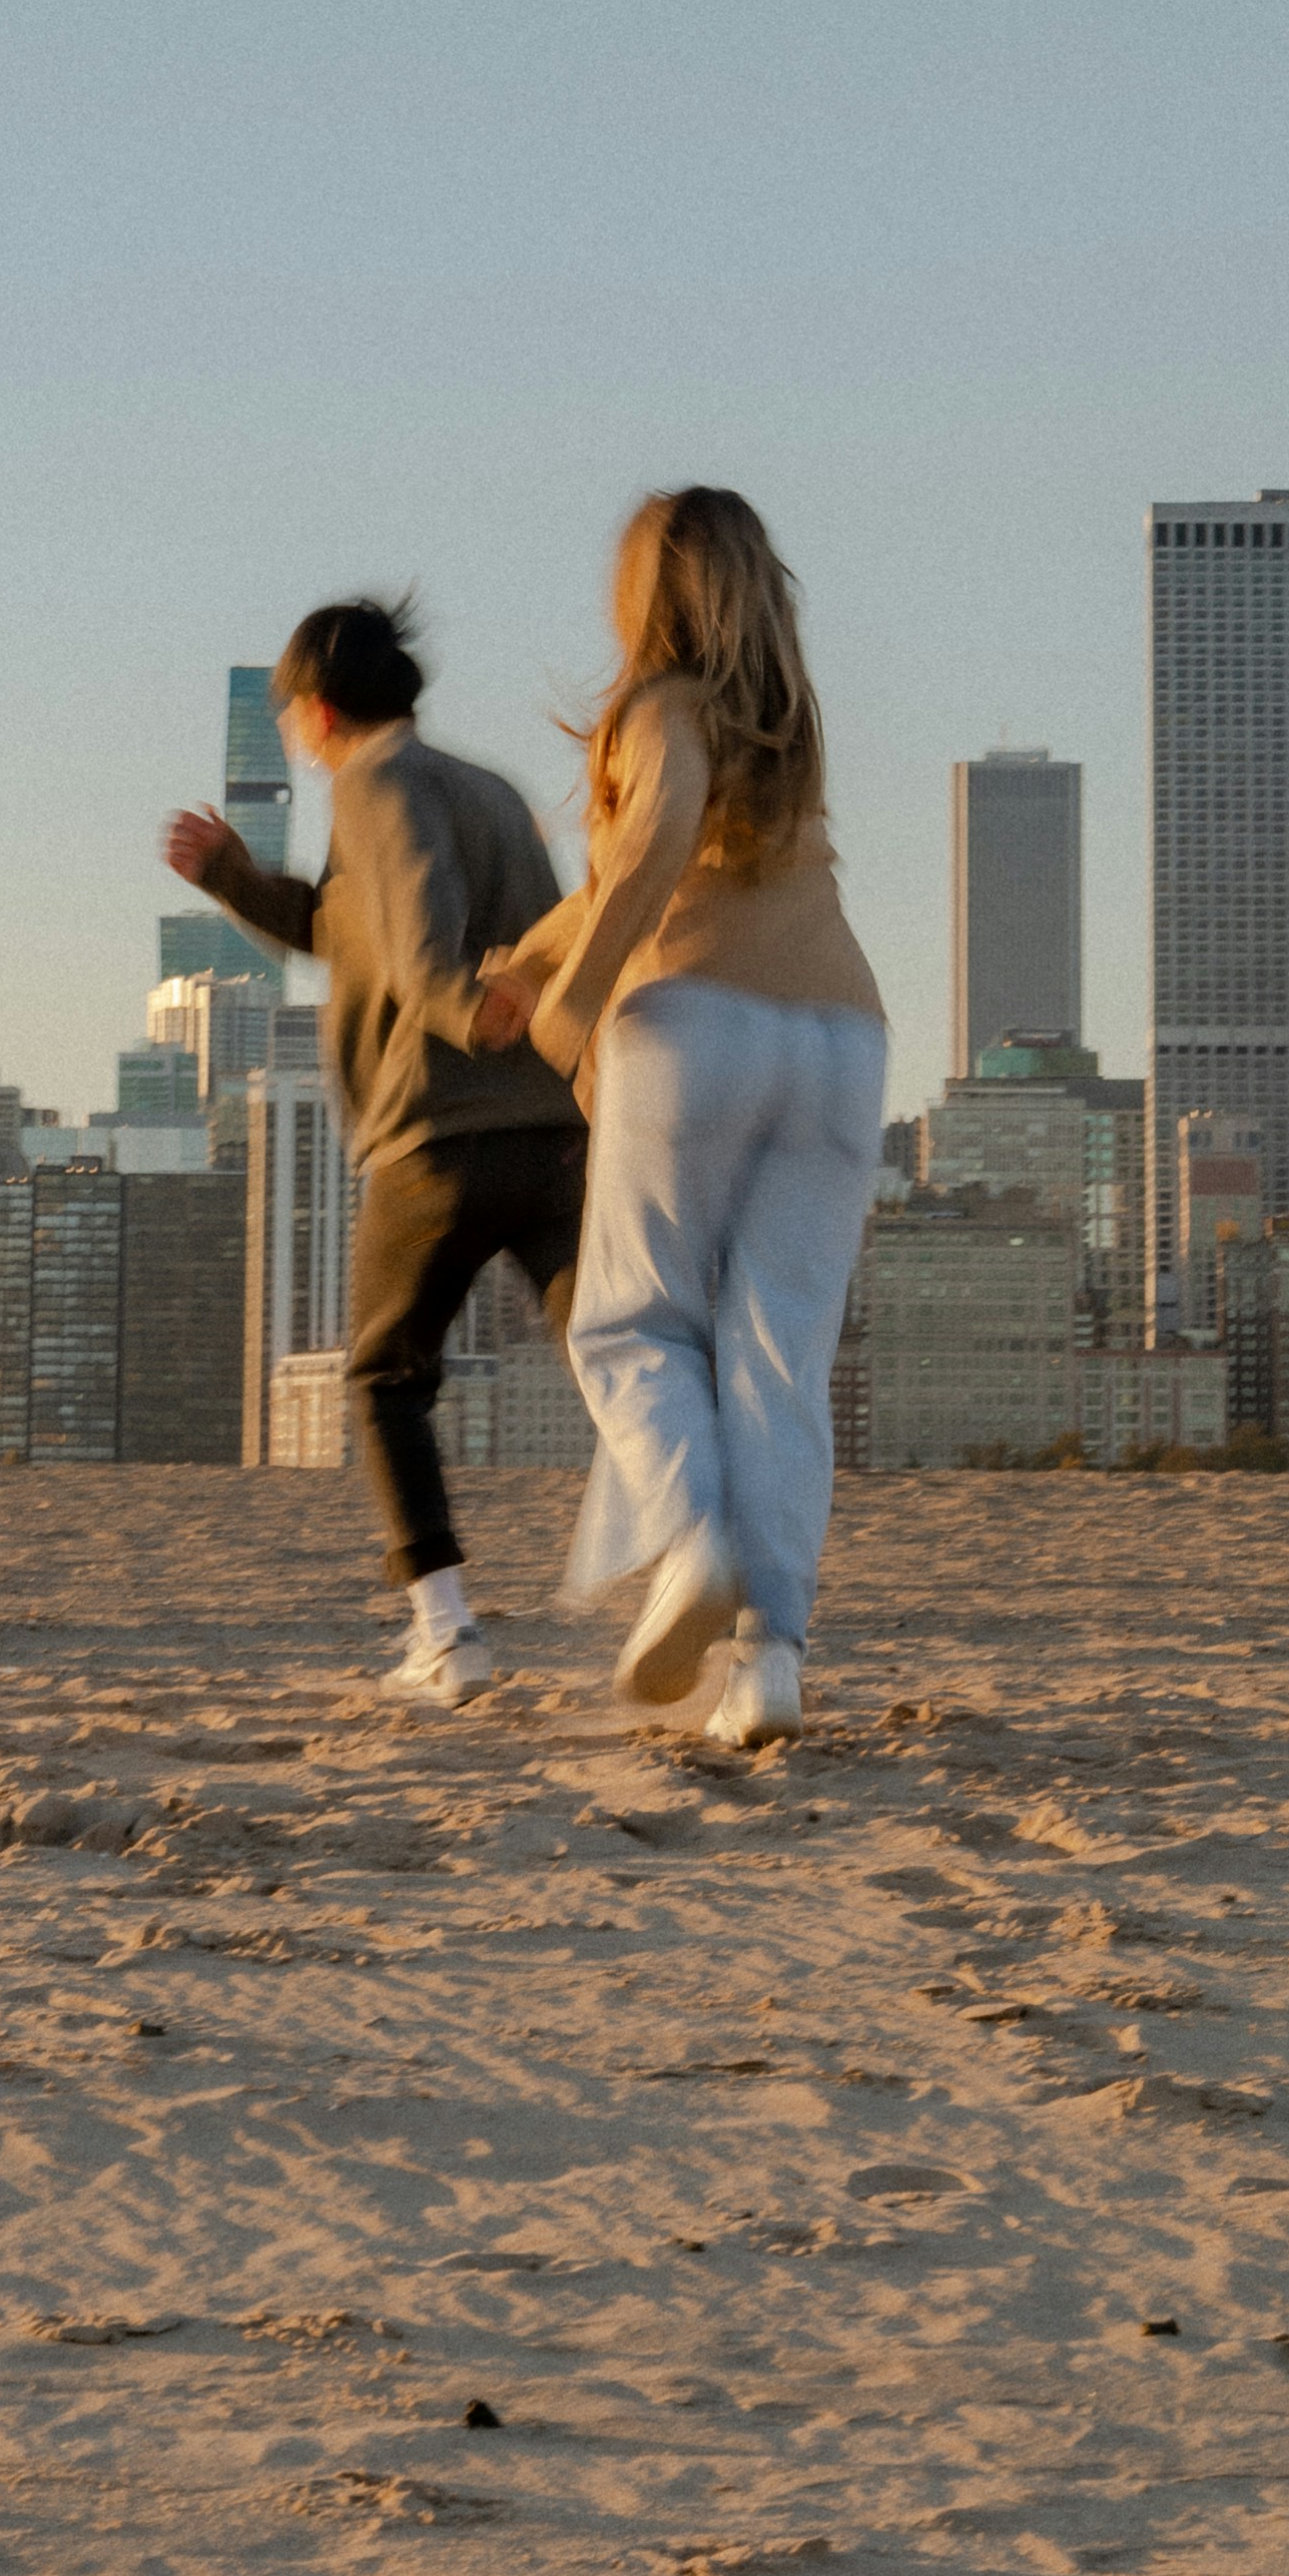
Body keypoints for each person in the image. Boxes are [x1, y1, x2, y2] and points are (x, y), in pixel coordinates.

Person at [470, 488, 885, 1752]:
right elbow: (617, 881)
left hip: (693, 1029)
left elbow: (648, 851)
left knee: (632, 1321)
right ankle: (770, 1663)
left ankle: (690, 1538)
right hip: (840, 1044)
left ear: (643, 594)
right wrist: (524, 965)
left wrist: (568, 1010)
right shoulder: (787, 730)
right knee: (778, 1357)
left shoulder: (658, 711)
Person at [164, 594, 585, 1707]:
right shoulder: (484, 786)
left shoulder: (375, 782)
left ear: (317, 706)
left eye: (294, 711)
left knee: (385, 1377)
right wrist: (232, 878)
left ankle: (445, 1634)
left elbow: (414, 915)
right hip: (553, 1133)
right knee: (620, 1360)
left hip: (435, 1139)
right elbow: (349, 926)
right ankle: (724, 1598)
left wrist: (453, 1002)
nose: (296, 733)